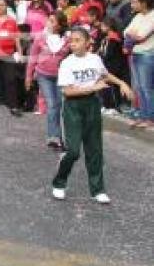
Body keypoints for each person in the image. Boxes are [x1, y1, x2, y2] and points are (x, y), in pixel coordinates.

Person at [51, 28, 132, 204]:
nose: (73, 43)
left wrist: (121, 83)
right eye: (71, 40)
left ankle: (97, 190)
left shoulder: (95, 59)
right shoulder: (67, 63)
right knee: (72, 151)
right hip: (73, 107)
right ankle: (59, 183)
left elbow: (104, 74)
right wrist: (92, 88)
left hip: (92, 106)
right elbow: (67, 91)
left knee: (94, 149)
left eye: (78, 40)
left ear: (88, 43)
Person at [25, 12, 70, 149]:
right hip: (44, 75)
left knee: (62, 105)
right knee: (52, 105)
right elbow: (32, 58)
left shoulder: (68, 39)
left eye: (52, 21)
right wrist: (28, 76)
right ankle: (53, 137)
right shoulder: (41, 37)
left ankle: (64, 137)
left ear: (60, 25)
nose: (48, 23)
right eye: (48, 20)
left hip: (62, 76)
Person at [125, 0, 154, 128]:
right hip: (136, 54)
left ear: (144, 3)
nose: (132, 4)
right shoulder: (137, 16)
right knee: (138, 88)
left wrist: (133, 34)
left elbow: (141, 36)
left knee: (146, 88)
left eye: (134, 2)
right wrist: (133, 34)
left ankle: (150, 118)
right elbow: (126, 31)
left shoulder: (152, 16)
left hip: (147, 54)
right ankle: (142, 116)